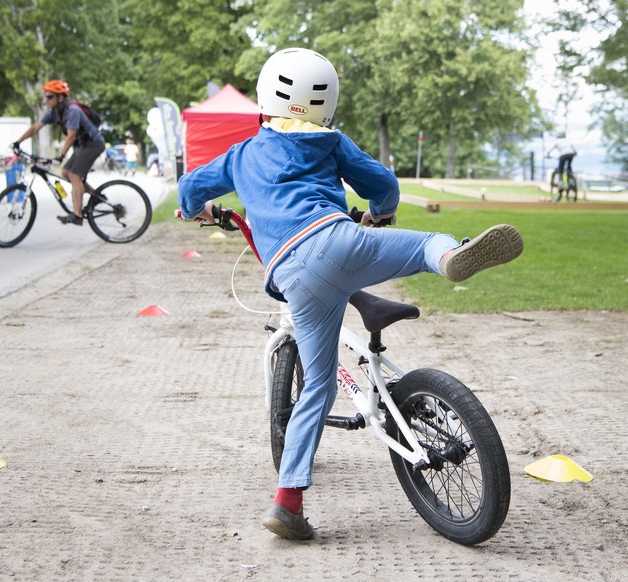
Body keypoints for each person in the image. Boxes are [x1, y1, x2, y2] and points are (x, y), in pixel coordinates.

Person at [178, 48, 524, 540]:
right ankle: (451, 259)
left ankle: (288, 502)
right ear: (326, 104)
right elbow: (382, 183)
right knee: (426, 243)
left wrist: (199, 210)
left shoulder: (241, 154)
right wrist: (381, 213)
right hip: (341, 240)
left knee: (317, 388)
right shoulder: (331, 142)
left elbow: (190, 187)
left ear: (264, 96)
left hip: (293, 276)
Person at [13, 80, 105, 226]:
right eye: (46, 97)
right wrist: (18, 142)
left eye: (50, 97)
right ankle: (96, 196)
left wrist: (60, 156)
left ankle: (77, 215)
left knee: (75, 176)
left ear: (60, 98)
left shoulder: (73, 111)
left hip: (93, 144)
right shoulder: (55, 113)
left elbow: (71, 136)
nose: (46, 100)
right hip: (83, 145)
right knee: (66, 173)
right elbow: (35, 127)